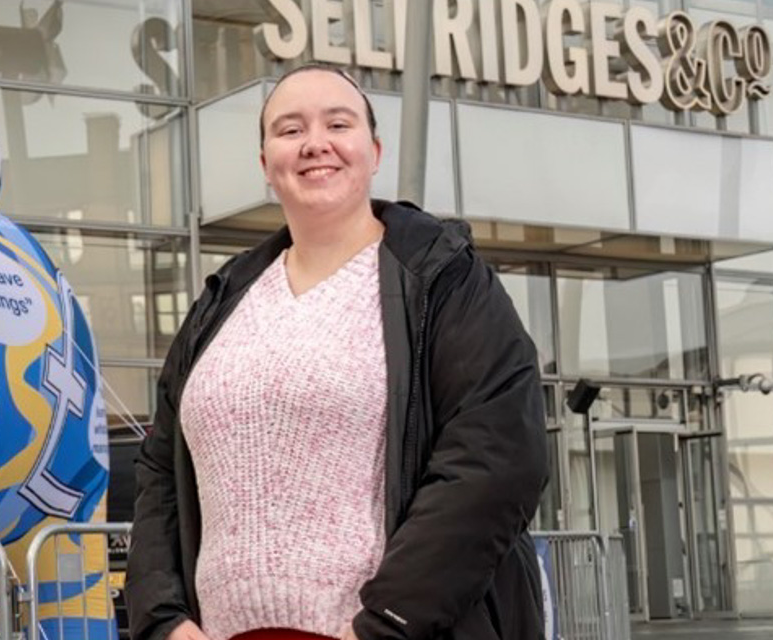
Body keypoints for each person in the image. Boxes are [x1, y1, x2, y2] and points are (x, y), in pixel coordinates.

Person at [126, 64, 549, 640]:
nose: (314, 144)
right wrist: (163, 620)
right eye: (290, 129)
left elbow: (496, 457)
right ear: (266, 166)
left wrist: (384, 624)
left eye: (338, 123)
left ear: (374, 151)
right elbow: (160, 472)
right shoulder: (221, 303)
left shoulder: (442, 279)